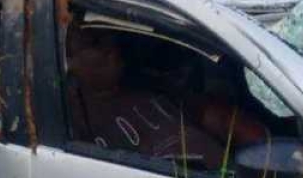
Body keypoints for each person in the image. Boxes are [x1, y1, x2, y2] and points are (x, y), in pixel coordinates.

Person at [64, 26, 268, 170]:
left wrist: (268, 153)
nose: (111, 47)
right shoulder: (70, 113)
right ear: (69, 62)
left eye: (110, 37)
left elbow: (219, 118)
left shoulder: (146, 83)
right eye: (95, 42)